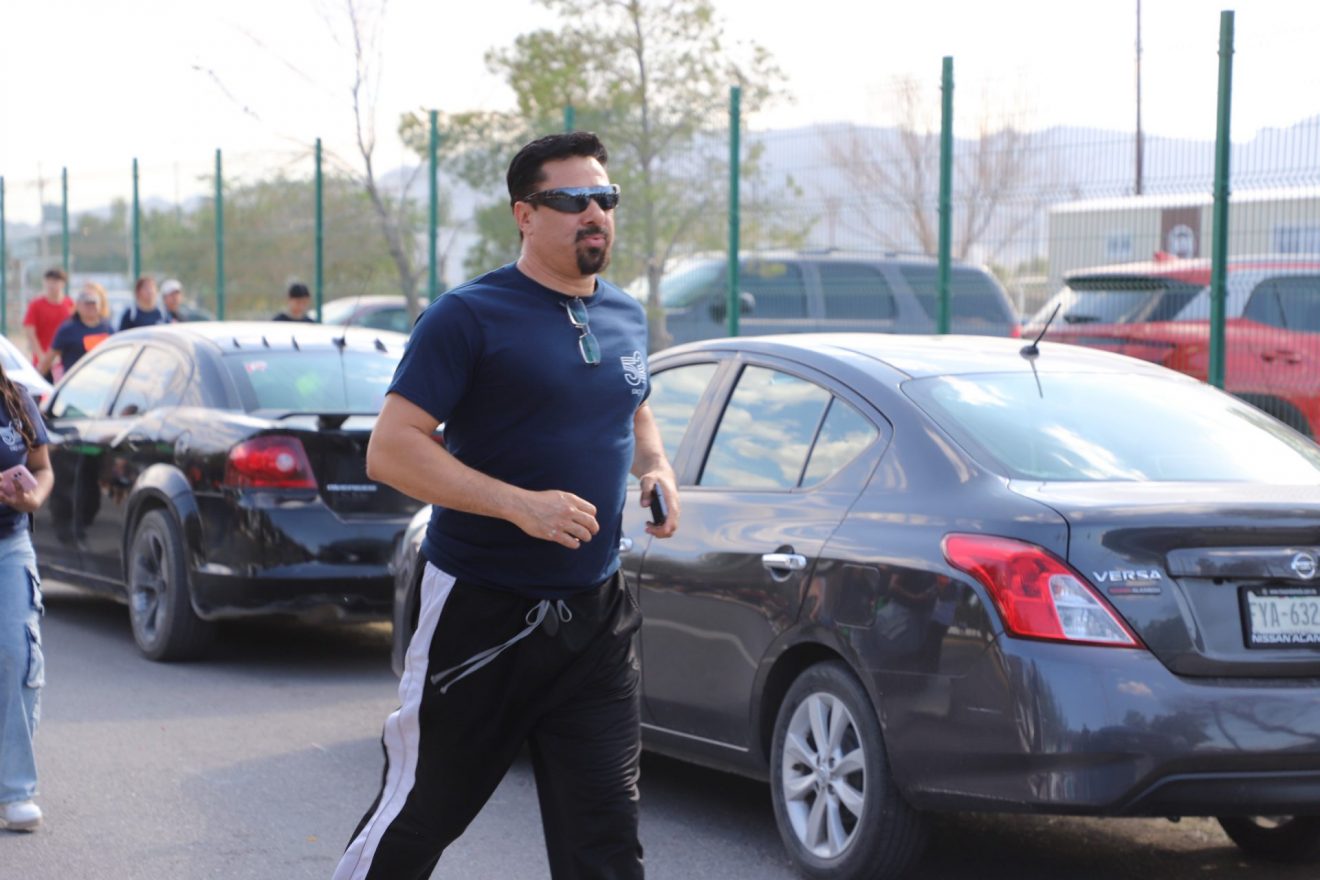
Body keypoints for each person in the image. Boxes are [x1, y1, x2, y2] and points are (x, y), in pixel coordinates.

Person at [333, 131, 679, 880]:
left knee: (607, 841)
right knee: (419, 817)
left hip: (595, 619)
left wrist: (655, 467)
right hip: (481, 615)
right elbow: (391, 449)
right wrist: (520, 506)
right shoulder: (468, 316)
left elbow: (634, 406)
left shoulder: (623, 313)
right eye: (573, 199)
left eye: (605, 198)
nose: (595, 213)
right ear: (525, 214)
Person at [0, 360, 54, 832]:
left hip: (10, 543)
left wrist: (32, 498)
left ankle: (15, 789)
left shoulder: (15, 399)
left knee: (17, 656)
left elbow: (42, 468)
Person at [38, 284, 114, 379]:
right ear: (77, 305)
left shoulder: (108, 329)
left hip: (103, 382)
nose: (90, 307)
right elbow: (48, 360)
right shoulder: (68, 330)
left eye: (93, 303)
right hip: (75, 384)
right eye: (87, 303)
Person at [21, 268, 74, 381]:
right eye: (48, 281)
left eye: (55, 281)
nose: (51, 284)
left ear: (63, 284)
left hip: (65, 363)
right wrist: (42, 358)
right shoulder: (36, 304)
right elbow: (30, 333)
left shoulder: (70, 304)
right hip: (42, 363)